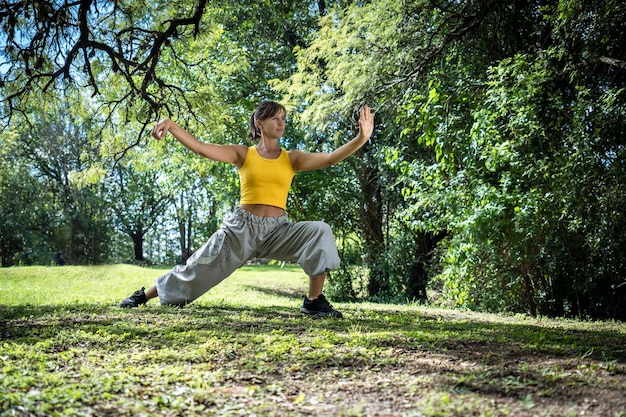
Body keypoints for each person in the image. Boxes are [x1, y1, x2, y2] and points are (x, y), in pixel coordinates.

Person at [119, 101, 375, 317]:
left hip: (278, 231)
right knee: (197, 267)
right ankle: (145, 295)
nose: (281, 122)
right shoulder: (244, 154)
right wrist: (171, 125)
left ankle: (313, 301)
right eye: (275, 118)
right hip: (240, 231)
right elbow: (201, 148)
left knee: (319, 231)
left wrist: (361, 138)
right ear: (259, 124)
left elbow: (330, 158)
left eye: (283, 118)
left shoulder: (291, 158)